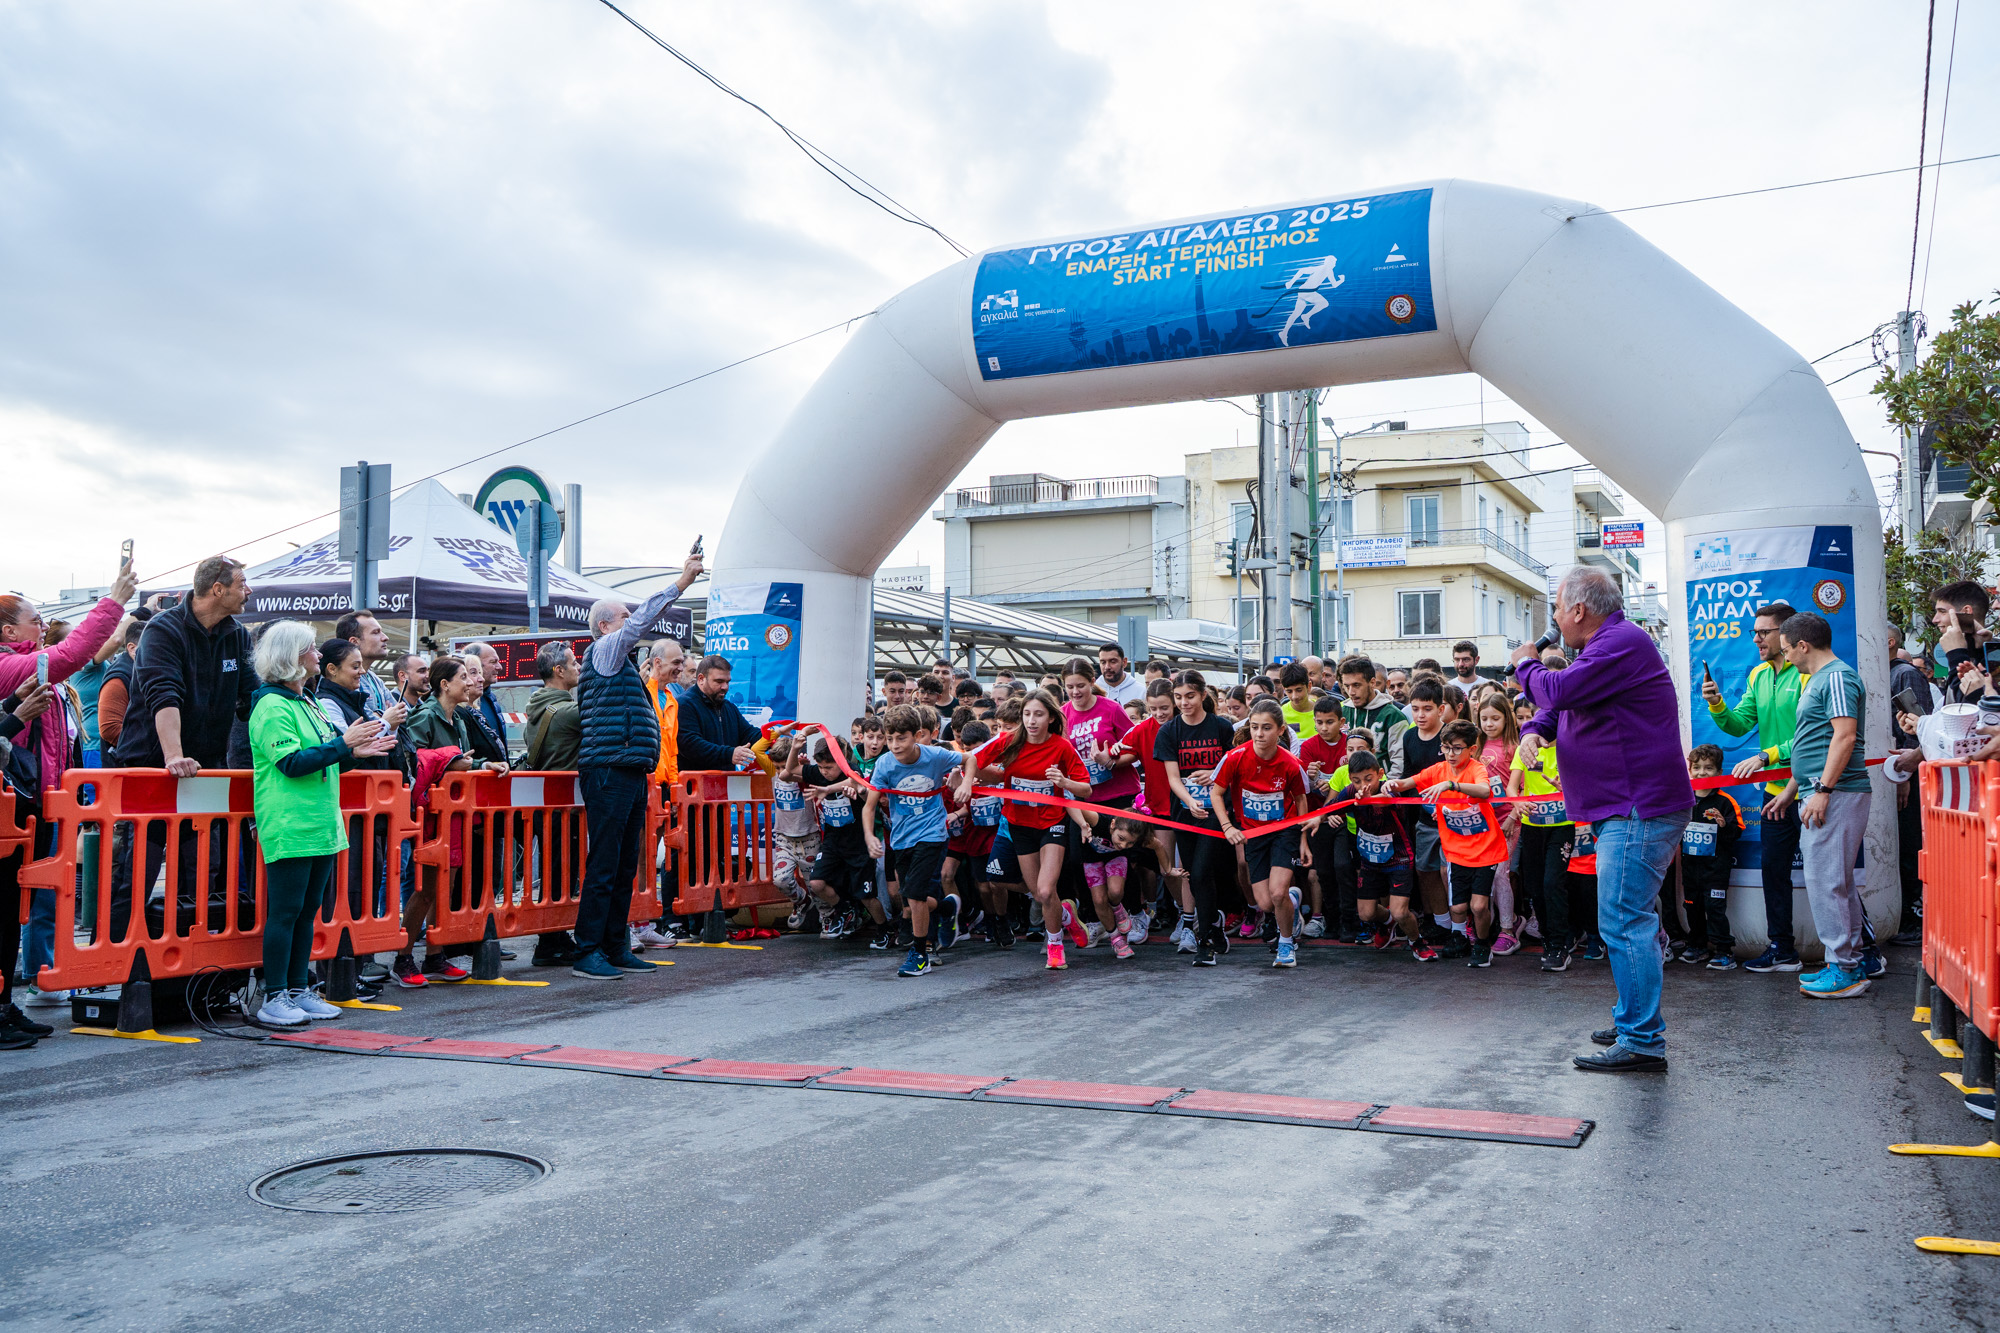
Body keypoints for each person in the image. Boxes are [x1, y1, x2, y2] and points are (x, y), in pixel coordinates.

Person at [1513, 567, 1692, 1074]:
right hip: (1627, 805)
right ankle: (1634, 1017)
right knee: (1631, 918)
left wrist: (1526, 665)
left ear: (1577, 611)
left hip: (1637, 806)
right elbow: (1574, 702)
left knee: (1623, 918)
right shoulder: (1609, 645)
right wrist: (1540, 727)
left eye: (1555, 607)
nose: (1552, 618)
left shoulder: (1620, 641)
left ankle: (1641, 1039)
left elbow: (1562, 689)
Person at [0, 563, 136, 1041]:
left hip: (41, 804)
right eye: (36, 621)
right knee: (11, 906)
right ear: (7, 630)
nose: (42, 627)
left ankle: (12, 1002)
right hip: (20, 806)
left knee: (24, 904)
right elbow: (74, 653)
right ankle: (16, 996)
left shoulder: (31, 669)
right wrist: (114, 600)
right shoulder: (10, 664)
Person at [246, 622, 395, 1028]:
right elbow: (292, 763)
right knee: (286, 912)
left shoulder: (305, 702)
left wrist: (354, 752)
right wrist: (343, 746)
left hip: (319, 821)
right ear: (294, 657)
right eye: (311, 649)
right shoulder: (272, 706)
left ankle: (296, 989)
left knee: (307, 910)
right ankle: (275, 993)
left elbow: (327, 756)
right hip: (290, 821)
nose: (317, 654)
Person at [570, 549, 702, 981]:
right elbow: (645, 617)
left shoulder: (618, 663)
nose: (633, 623)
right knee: (606, 864)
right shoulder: (605, 651)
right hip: (608, 769)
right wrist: (680, 583)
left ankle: (613, 946)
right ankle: (588, 951)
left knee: (624, 864)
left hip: (623, 769)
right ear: (605, 626)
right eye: (623, 617)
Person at [1700, 600, 1806, 973]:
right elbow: (1740, 724)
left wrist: (1767, 755)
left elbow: (1816, 737)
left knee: (1831, 876)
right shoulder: (1759, 674)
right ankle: (1783, 950)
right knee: (1773, 872)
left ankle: (1867, 949)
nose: (1757, 639)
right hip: (1775, 792)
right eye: (1755, 632)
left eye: (1764, 632)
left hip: (1811, 787)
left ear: (1788, 634)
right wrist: (1717, 705)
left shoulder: (1808, 672)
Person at [1775, 612, 1874, 999]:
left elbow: (1844, 737)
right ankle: (1851, 961)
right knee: (1838, 881)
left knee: (1825, 881)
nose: (1786, 658)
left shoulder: (1834, 677)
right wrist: (1795, 788)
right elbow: (1815, 741)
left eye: (1787, 650)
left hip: (1836, 792)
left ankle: (1842, 968)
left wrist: (1823, 790)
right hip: (1827, 790)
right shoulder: (1824, 678)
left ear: (1803, 645)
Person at [972, 689, 1091, 971]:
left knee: (1047, 889)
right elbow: (974, 760)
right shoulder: (1010, 742)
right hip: (1019, 824)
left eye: (1038, 714)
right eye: (1027, 714)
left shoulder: (1061, 747)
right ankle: (1065, 915)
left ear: (1051, 717)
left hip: (1052, 823)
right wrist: (965, 778)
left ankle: (1055, 945)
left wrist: (1064, 781)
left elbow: (1085, 788)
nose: (1032, 720)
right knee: (1039, 894)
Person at [1385, 719, 1509, 967]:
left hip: (1486, 850)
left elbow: (1485, 791)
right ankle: (1460, 938)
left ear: (1471, 749)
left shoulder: (1476, 769)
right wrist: (1390, 784)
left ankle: (1483, 945)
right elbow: (1406, 783)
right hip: (1456, 852)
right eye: (1446, 747)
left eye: (1457, 748)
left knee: (1479, 906)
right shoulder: (1437, 770)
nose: (1450, 754)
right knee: (1459, 907)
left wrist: (1451, 784)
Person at [864, 706, 976, 976]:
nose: (893, 745)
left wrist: (966, 783)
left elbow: (969, 759)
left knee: (913, 894)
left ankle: (920, 953)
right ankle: (948, 906)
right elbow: (869, 806)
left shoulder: (934, 756)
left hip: (933, 833)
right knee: (909, 895)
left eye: (900, 738)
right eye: (889, 739)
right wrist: (869, 835)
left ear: (917, 735)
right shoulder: (884, 764)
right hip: (902, 838)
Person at [1211, 699, 1317, 968]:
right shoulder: (1235, 757)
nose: (1259, 734)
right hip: (1253, 834)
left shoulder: (1291, 764)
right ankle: (1293, 901)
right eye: (1255, 727)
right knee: (1266, 902)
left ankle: (1286, 943)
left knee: (1278, 892)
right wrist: (1228, 826)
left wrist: (1303, 839)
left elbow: (1301, 800)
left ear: (1280, 730)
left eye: (1267, 728)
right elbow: (1216, 792)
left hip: (1285, 832)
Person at [1156, 669, 1240, 966]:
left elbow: (1233, 768)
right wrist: (1189, 800)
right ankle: (1213, 922)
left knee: (1203, 872)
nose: (1183, 703)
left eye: (1190, 696)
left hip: (1216, 812)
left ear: (1204, 695)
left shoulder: (1221, 728)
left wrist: (1215, 773)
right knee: (1193, 875)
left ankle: (1204, 943)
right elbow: (1172, 777)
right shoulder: (1169, 731)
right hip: (1185, 812)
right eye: (1178, 697)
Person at [1676, 744, 1744, 968]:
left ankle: (1724, 951)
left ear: (1719, 772)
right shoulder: (1684, 799)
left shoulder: (1725, 801)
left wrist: (1723, 826)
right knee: (1692, 907)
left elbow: (1737, 833)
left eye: (1708, 768)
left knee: (1715, 909)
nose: (1701, 773)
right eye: (1696, 767)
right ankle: (1697, 946)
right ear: (1689, 770)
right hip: (1690, 869)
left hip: (1715, 870)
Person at [1887, 625, 1931, 946]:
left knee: (1910, 844)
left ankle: (1915, 918)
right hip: (1892, 772)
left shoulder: (1904, 674)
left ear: (1890, 642)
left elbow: (1920, 723)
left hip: (1908, 773)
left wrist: (1906, 775)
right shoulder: (1879, 672)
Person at [524, 641, 581, 771]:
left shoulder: (535, 711)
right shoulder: (569, 713)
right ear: (560, 670)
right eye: (574, 663)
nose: (579, 667)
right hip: (567, 789)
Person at [1338, 656, 1407, 751]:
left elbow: (1399, 761)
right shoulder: (1341, 713)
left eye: (1356, 685)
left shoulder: (1393, 716)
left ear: (1372, 682)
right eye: (1347, 686)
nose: (1351, 692)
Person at [1096, 642, 1145, 707]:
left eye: (1113, 662)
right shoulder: (1092, 692)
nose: (1107, 667)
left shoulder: (1141, 692)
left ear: (1124, 662)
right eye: (1103, 662)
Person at [1277, 662, 1316, 740]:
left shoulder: (1323, 711)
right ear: (1284, 689)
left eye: (1299, 690)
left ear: (1309, 686)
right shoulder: (1280, 715)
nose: (1294, 696)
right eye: (1289, 691)